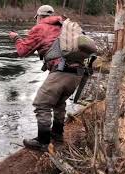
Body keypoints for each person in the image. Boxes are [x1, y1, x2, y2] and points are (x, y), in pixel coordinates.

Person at [9, 5, 83, 150]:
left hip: (61, 71)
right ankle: (57, 137)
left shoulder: (40, 28)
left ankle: (43, 142)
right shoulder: (64, 26)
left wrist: (16, 38)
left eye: (36, 18)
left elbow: (23, 51)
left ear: (40, 17)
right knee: (59, 103)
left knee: (41, 103)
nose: (36, 21)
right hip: (77, 74)